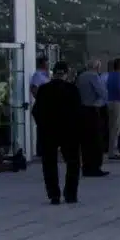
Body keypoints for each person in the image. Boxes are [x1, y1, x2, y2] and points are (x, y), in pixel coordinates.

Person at [29, 61, 83, 205]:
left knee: (49, 163)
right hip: (69, 131)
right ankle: (70, 194)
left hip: (49, 131)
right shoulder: (72, 90)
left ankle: (54, 194)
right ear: (66, 73)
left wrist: (42, 125)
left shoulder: (43, 90)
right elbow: (79, 112)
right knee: (73, 162)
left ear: (53, 73)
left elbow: (36, 111)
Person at [76, 59, 110, 177]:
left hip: (81, 110)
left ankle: (86, 166)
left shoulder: (81, 76)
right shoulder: (94, 76)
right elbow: (103, 93)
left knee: (85, 141)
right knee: (96, 140)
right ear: (97, 67)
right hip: (92, 109)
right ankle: (95, 167)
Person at [105, 57, 120, 159]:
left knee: (112, 128)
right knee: (116, 129)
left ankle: (111, 150)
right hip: (118, 104)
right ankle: (113, 152)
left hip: (110, 102)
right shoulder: (118, 77)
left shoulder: (109, 75)